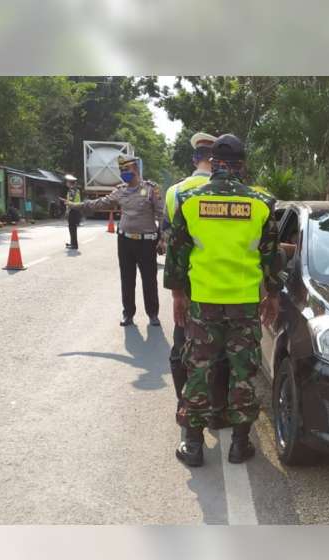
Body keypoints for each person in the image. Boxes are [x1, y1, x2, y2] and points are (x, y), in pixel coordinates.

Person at [165, 133, 281, 467]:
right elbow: (271, 257)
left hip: (202, 303)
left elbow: (176, 255)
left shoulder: (188, 199)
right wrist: (271, 297)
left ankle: (193, 445)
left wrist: (177, 296)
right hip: (245, 305)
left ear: (212, 162)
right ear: (243, 165)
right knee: (242, 372)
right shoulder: (262, 204)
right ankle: (239, 444)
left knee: (198, 370)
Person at [163, 132, 232, 431]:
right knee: (223, 353)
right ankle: (219, 410)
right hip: (230, 284)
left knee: (183, 349)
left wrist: (177, 292)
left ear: (195, 158)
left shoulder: (176, 193)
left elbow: (171, 243)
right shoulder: (235, 192)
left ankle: (187, 407)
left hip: (191, 285)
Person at [73, 155, 164, 327]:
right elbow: (100, 203)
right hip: (125, 241)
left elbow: (161, 214)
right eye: (121, 170)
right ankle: (128, 314)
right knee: (127, 278)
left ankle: (153, 314)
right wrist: (78, 205)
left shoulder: (151, 189)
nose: (124, 173)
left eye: (126, 170)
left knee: (149, 279)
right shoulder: (120, 191)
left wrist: (163, 239)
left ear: (136, 169)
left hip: (146, 242)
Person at [61, 174, 82, 250]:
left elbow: (71, 202)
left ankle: (74, 245)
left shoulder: (72, 191)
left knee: (72, 228)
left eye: (67, 182)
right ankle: (73, 243)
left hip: (73, 211)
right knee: (73, 228)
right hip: (76, 210)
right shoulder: (76, 190)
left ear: (70, 183)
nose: (66, 183)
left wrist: (67, 210)